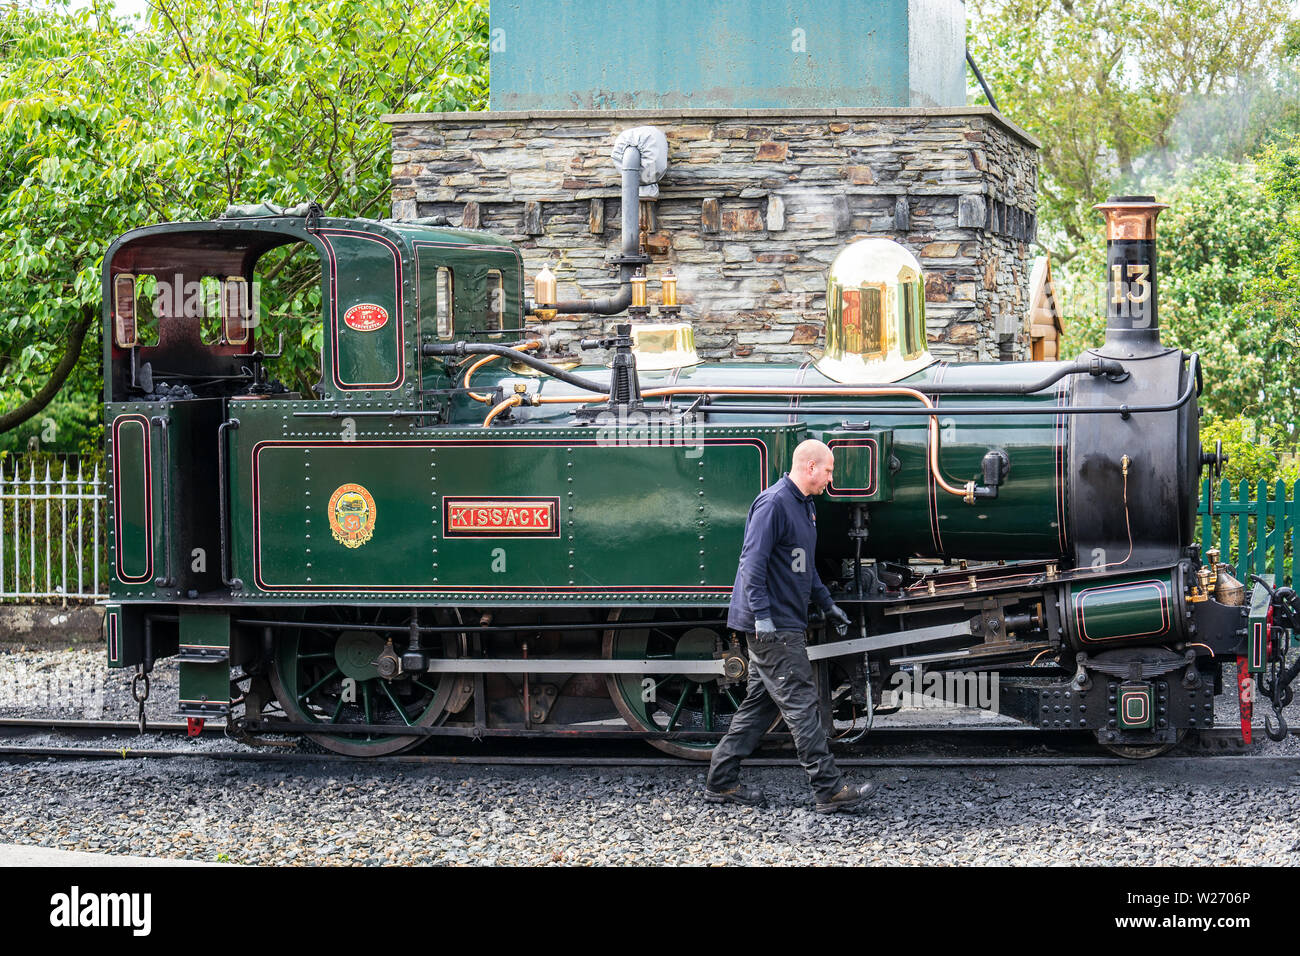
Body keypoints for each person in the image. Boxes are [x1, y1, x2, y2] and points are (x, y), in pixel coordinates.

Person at [703, 438, 875, 814]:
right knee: (801, 702)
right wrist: (761, 615)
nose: (831, 479)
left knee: (759, 708)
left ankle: (720, 782)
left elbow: (804, 565)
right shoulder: (774, 503)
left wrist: (828, 605)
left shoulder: (805, 507)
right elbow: (752, 563)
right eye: (828, 471)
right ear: (810, 467)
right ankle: (828, 789)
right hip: (774, 626)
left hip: (785, 621)